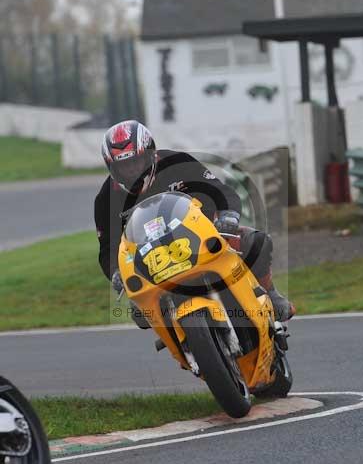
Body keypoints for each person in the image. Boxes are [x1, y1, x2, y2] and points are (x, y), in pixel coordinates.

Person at [94, 120, 295, 326]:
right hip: (153, 262)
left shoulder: (178, 162)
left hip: (202, 238)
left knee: (257, 242)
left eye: (135, 162)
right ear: (112, 167)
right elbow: (107, 248)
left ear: (150, 154)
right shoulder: (105, 199)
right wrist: (116, 273)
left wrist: (228, 216)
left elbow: (220, 191)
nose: (132, 170)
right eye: (124, 166)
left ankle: (270, 292)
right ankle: (183, 349)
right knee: (142, 314)